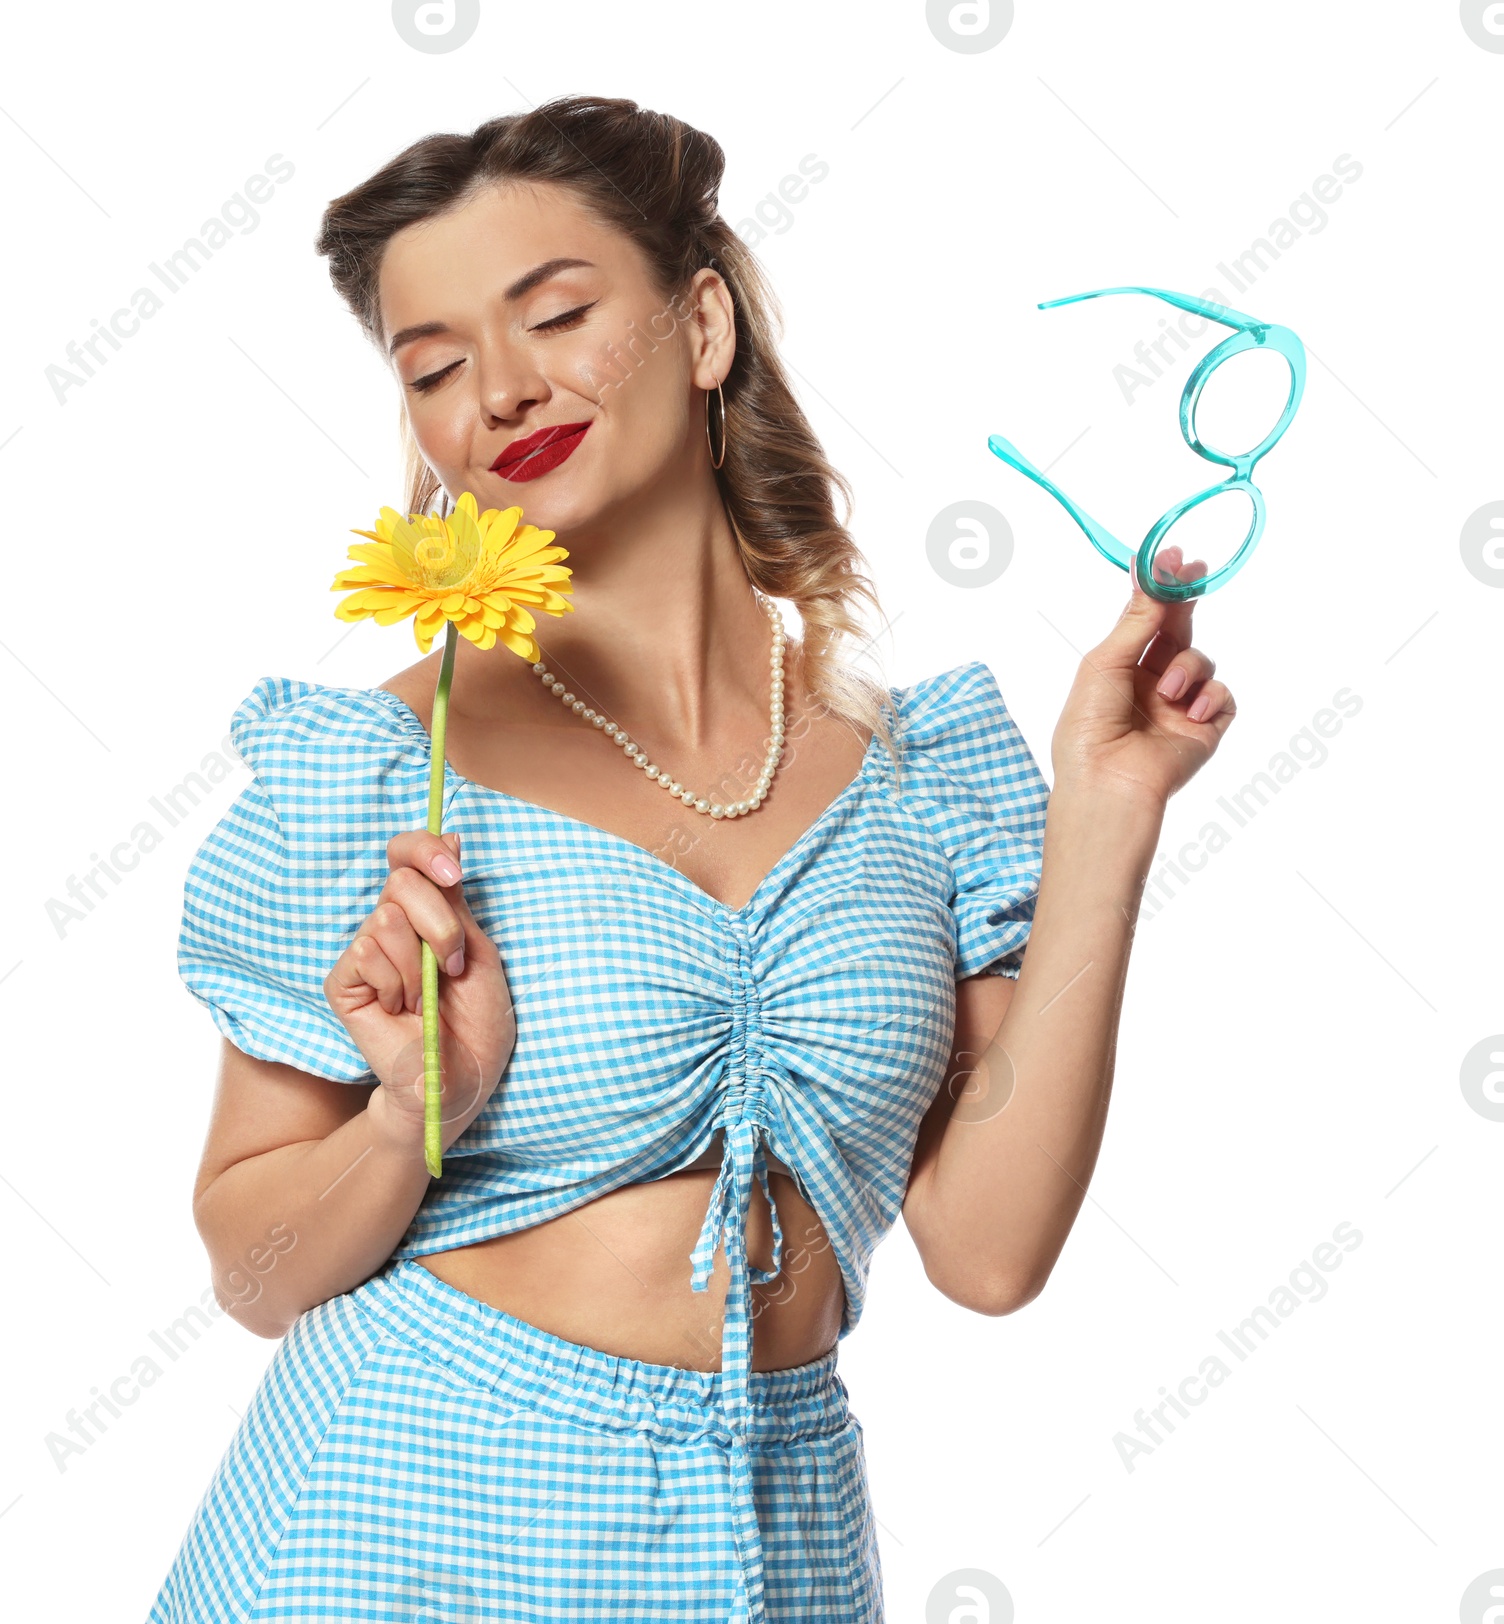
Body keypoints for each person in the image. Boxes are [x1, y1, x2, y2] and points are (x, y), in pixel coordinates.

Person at [145, 94, 1234, 1624]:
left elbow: (989, 1252)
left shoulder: (917, 777)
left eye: (559, 315)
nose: (503, 392)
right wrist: (405, 1121)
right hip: (395, 1525)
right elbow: (254, 1274)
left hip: (769, 1539)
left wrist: (1109, 815)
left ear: (702, 322)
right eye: (438, 368)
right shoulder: (392, 771)